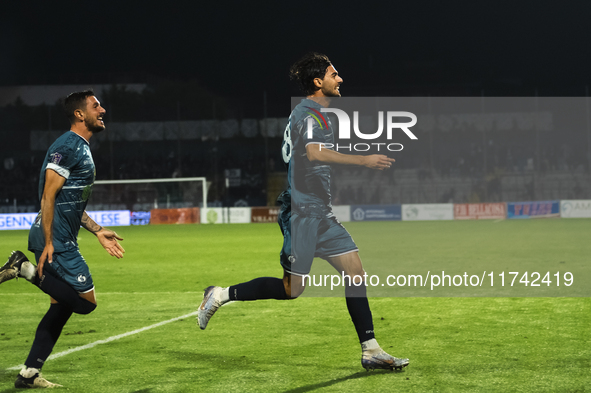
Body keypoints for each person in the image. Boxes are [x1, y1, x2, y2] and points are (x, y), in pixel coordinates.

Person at [197, 53, 409, 371]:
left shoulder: (315, 114)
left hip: (320, 213)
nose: (340, 79)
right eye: (334, 74)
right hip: (302, 214)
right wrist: (363, 160)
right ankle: (220, 294)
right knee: (291, 289)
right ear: (317, 81)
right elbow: (314, 152)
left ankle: (371, 349)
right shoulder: (309, 113)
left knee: (355, 273)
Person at [0, 90, 125, 388]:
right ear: (80, 114)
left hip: (60, 236)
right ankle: (24, 269)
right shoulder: (68, 145)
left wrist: (97, 230)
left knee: (60, 308)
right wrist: (50, 243)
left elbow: (71, 202)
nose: (103, 110)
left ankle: (28, 374)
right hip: (55, 239)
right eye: (96, 106)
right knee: (85, 303)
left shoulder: (80, 147)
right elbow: (49, 195)